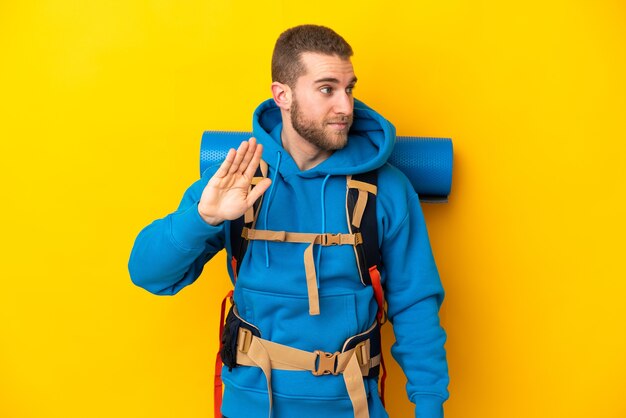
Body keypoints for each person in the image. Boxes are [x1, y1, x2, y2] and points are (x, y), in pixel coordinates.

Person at [129, 24, 449, 418]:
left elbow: (415, 304)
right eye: (327, 89)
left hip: (352, 406)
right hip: (250, 405)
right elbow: (147, 274)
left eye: (349, 88)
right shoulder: (236, 179)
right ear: (282, 95)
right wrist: (202, 217)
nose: (346, 107)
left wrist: (430, 406)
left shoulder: (386, 188)